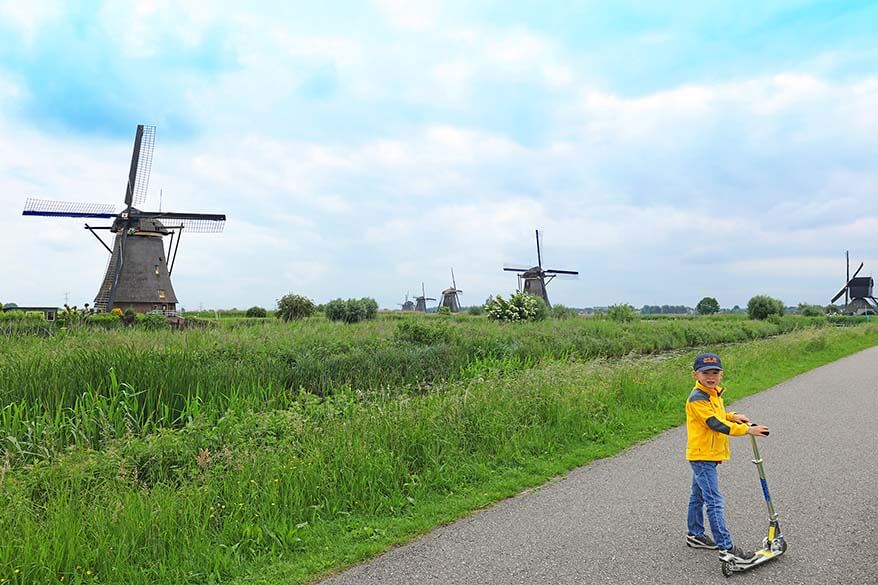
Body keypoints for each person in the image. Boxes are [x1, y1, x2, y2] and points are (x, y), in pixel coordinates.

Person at [685, 352, 769, 562]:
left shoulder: (712, 393)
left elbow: (718, 416)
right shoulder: (697, 398)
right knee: (714, 501)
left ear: (721, 374)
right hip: (702, 456)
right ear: (695, 374)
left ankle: (695, 535)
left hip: (707, 454)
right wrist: (748, 430)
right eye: (705, 373)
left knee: (698, 496)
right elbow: (715, 424)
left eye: (715, 372)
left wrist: (732, 416)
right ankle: (727, 549)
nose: (710, 376)